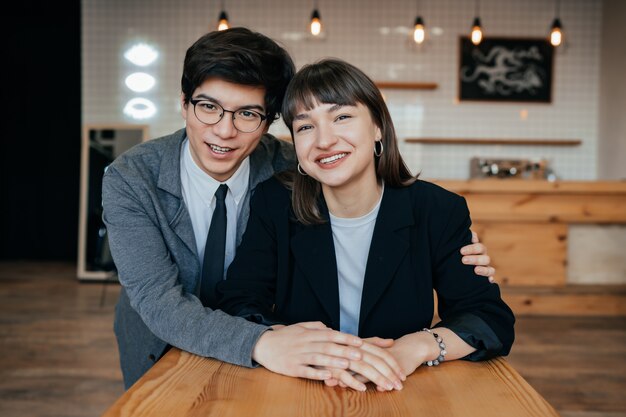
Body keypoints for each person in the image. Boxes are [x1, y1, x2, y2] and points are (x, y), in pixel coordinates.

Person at [102, 27, 496, 390]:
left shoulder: (295, 166)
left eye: (248, 114)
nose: (224, 130)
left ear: (268, 122)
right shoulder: (131, 178)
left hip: (294, 365)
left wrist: (453, 247)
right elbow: (159, 301)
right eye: (208, 107)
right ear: (185, 103)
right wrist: (265, 342)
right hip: (165, 342)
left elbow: (350, 167)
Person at [217, 58, 515, 391]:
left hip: (400, 385)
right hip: (301, 385)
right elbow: (238, 302)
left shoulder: (437, 209)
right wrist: (285, 342)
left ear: (378, 127)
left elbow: (488, 318)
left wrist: (414, 347)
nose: (324, 140)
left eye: (341, 117)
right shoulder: (274, 202)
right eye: (305, 126)